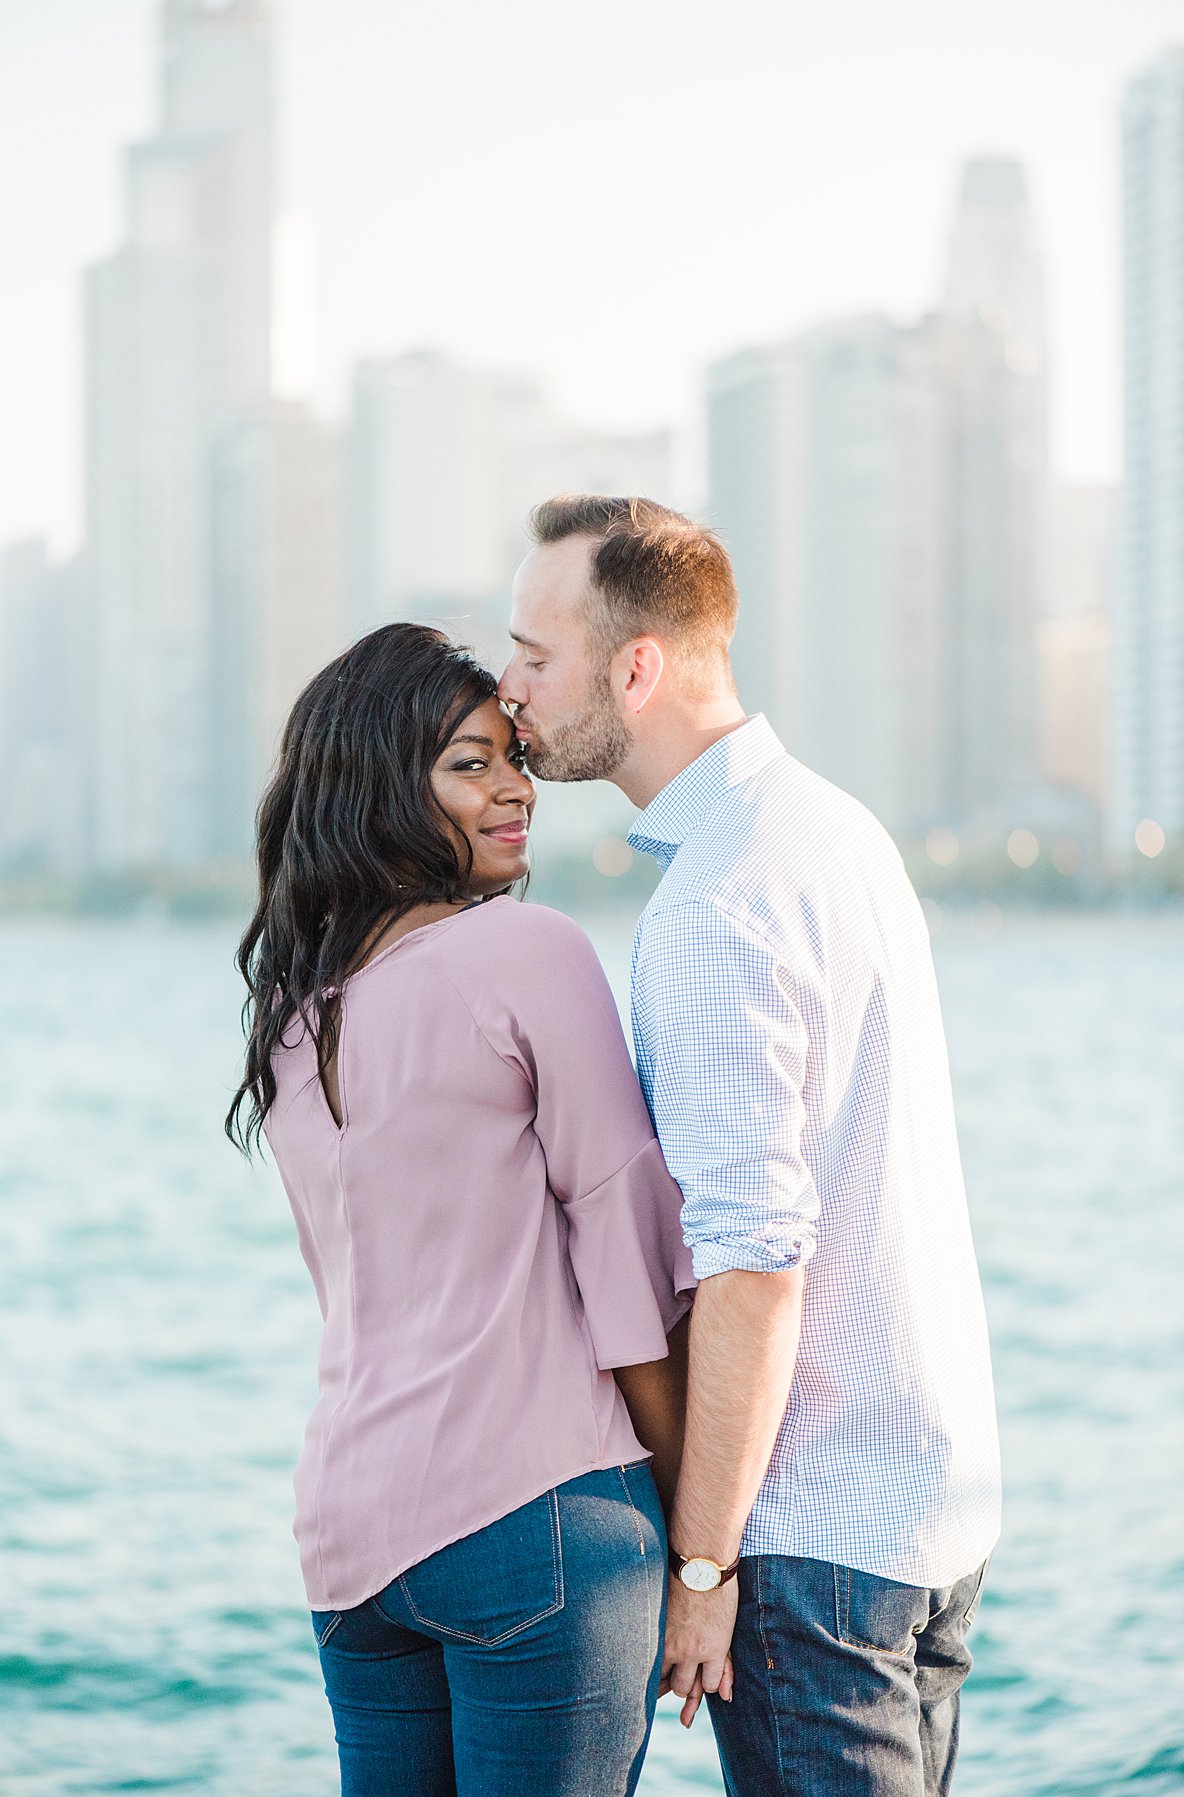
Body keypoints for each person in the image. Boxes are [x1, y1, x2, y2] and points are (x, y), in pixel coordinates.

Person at [498, 496, 1003, 1796]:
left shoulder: (719, 902)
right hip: (931, 1510)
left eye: (533, 655)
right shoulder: (834, 831)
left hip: (811, 1547)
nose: (510, 691)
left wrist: (707, 1567)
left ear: (638, 665)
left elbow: (755, 1265)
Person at [226, 622, 698, 1797]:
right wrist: (707, 1539)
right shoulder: (525, 952)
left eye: (513, 761)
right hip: (536, 1520)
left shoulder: (295, 1019)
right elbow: (626, 1256)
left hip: (351, 1549)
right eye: (468, 764)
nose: (512, 792)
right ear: (388, 789)